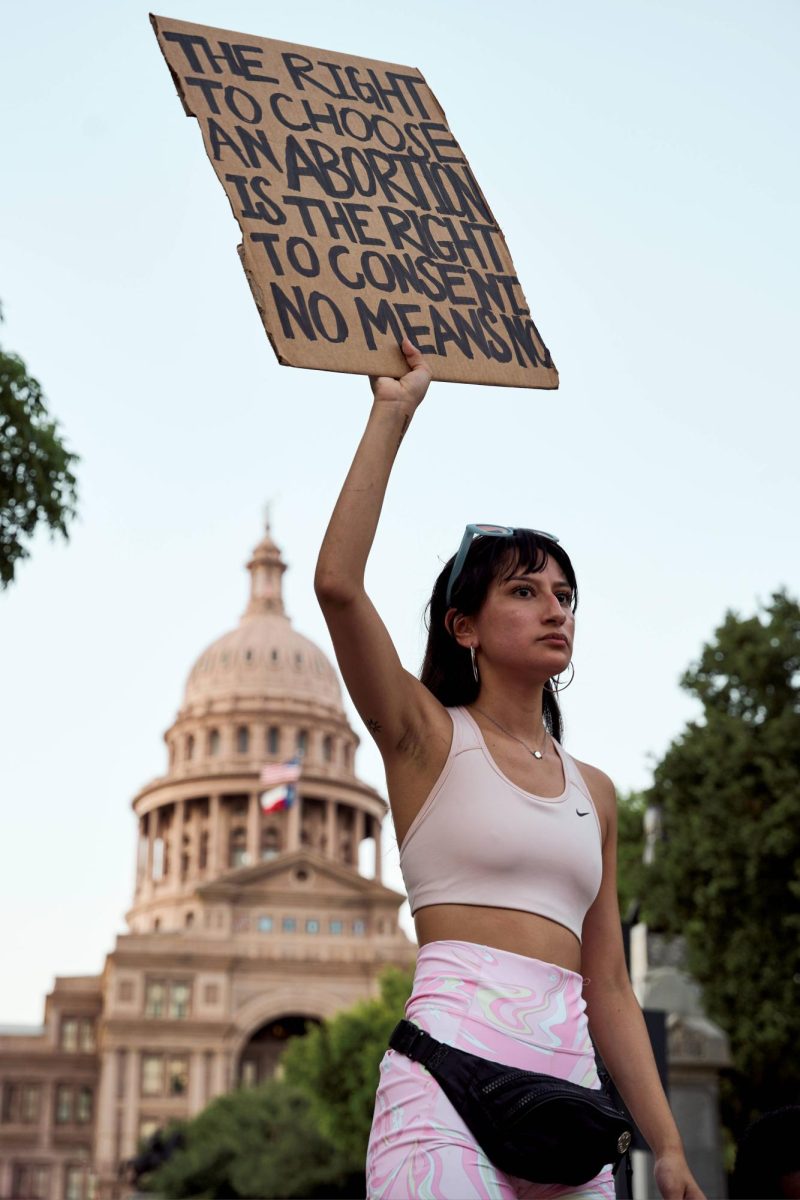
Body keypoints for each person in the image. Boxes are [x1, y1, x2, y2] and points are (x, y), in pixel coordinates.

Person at [315, 339, 704, 1200]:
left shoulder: (593, 792)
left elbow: (607, 982)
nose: (553, 607)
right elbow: (340, 585)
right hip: (445, 1083)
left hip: (571, 1105)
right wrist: (392, 413)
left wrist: (668, 1146)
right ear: (464, 625)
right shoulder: (423, 736)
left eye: (563, 593)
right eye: (524, 591)